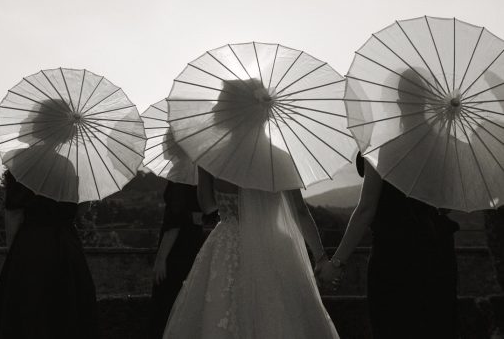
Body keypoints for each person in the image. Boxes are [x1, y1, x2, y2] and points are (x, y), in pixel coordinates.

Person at [162, 79, 339, 338]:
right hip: (276, 247)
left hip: (228, 246)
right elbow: (300, 213)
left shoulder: (213, 156)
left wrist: (202, 163)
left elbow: (208, 205)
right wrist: (321, 257)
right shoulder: (281, 158)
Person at [316, 68, 460, 339]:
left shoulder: (388, 146)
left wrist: (337, 262)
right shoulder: (445, 146)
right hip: (437, 254)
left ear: (396, 101)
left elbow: (366, 209)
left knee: (394, 326)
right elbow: (448, 203)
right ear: (429, 99)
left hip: (395, 257)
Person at [0, 98, 99, 339]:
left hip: (32, 245)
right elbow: (80, 210)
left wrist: (14, 253)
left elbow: (14, 212)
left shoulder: (22, 161)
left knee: (28, 312)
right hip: (66, 246)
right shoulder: (70, 164)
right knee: (66, 313)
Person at [149, 178, 208, 339]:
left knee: (168, 296)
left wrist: (161, 259)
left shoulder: (179, 179)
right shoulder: (196, 177)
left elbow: (174, 223)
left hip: (177, 248)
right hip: (194, 240)